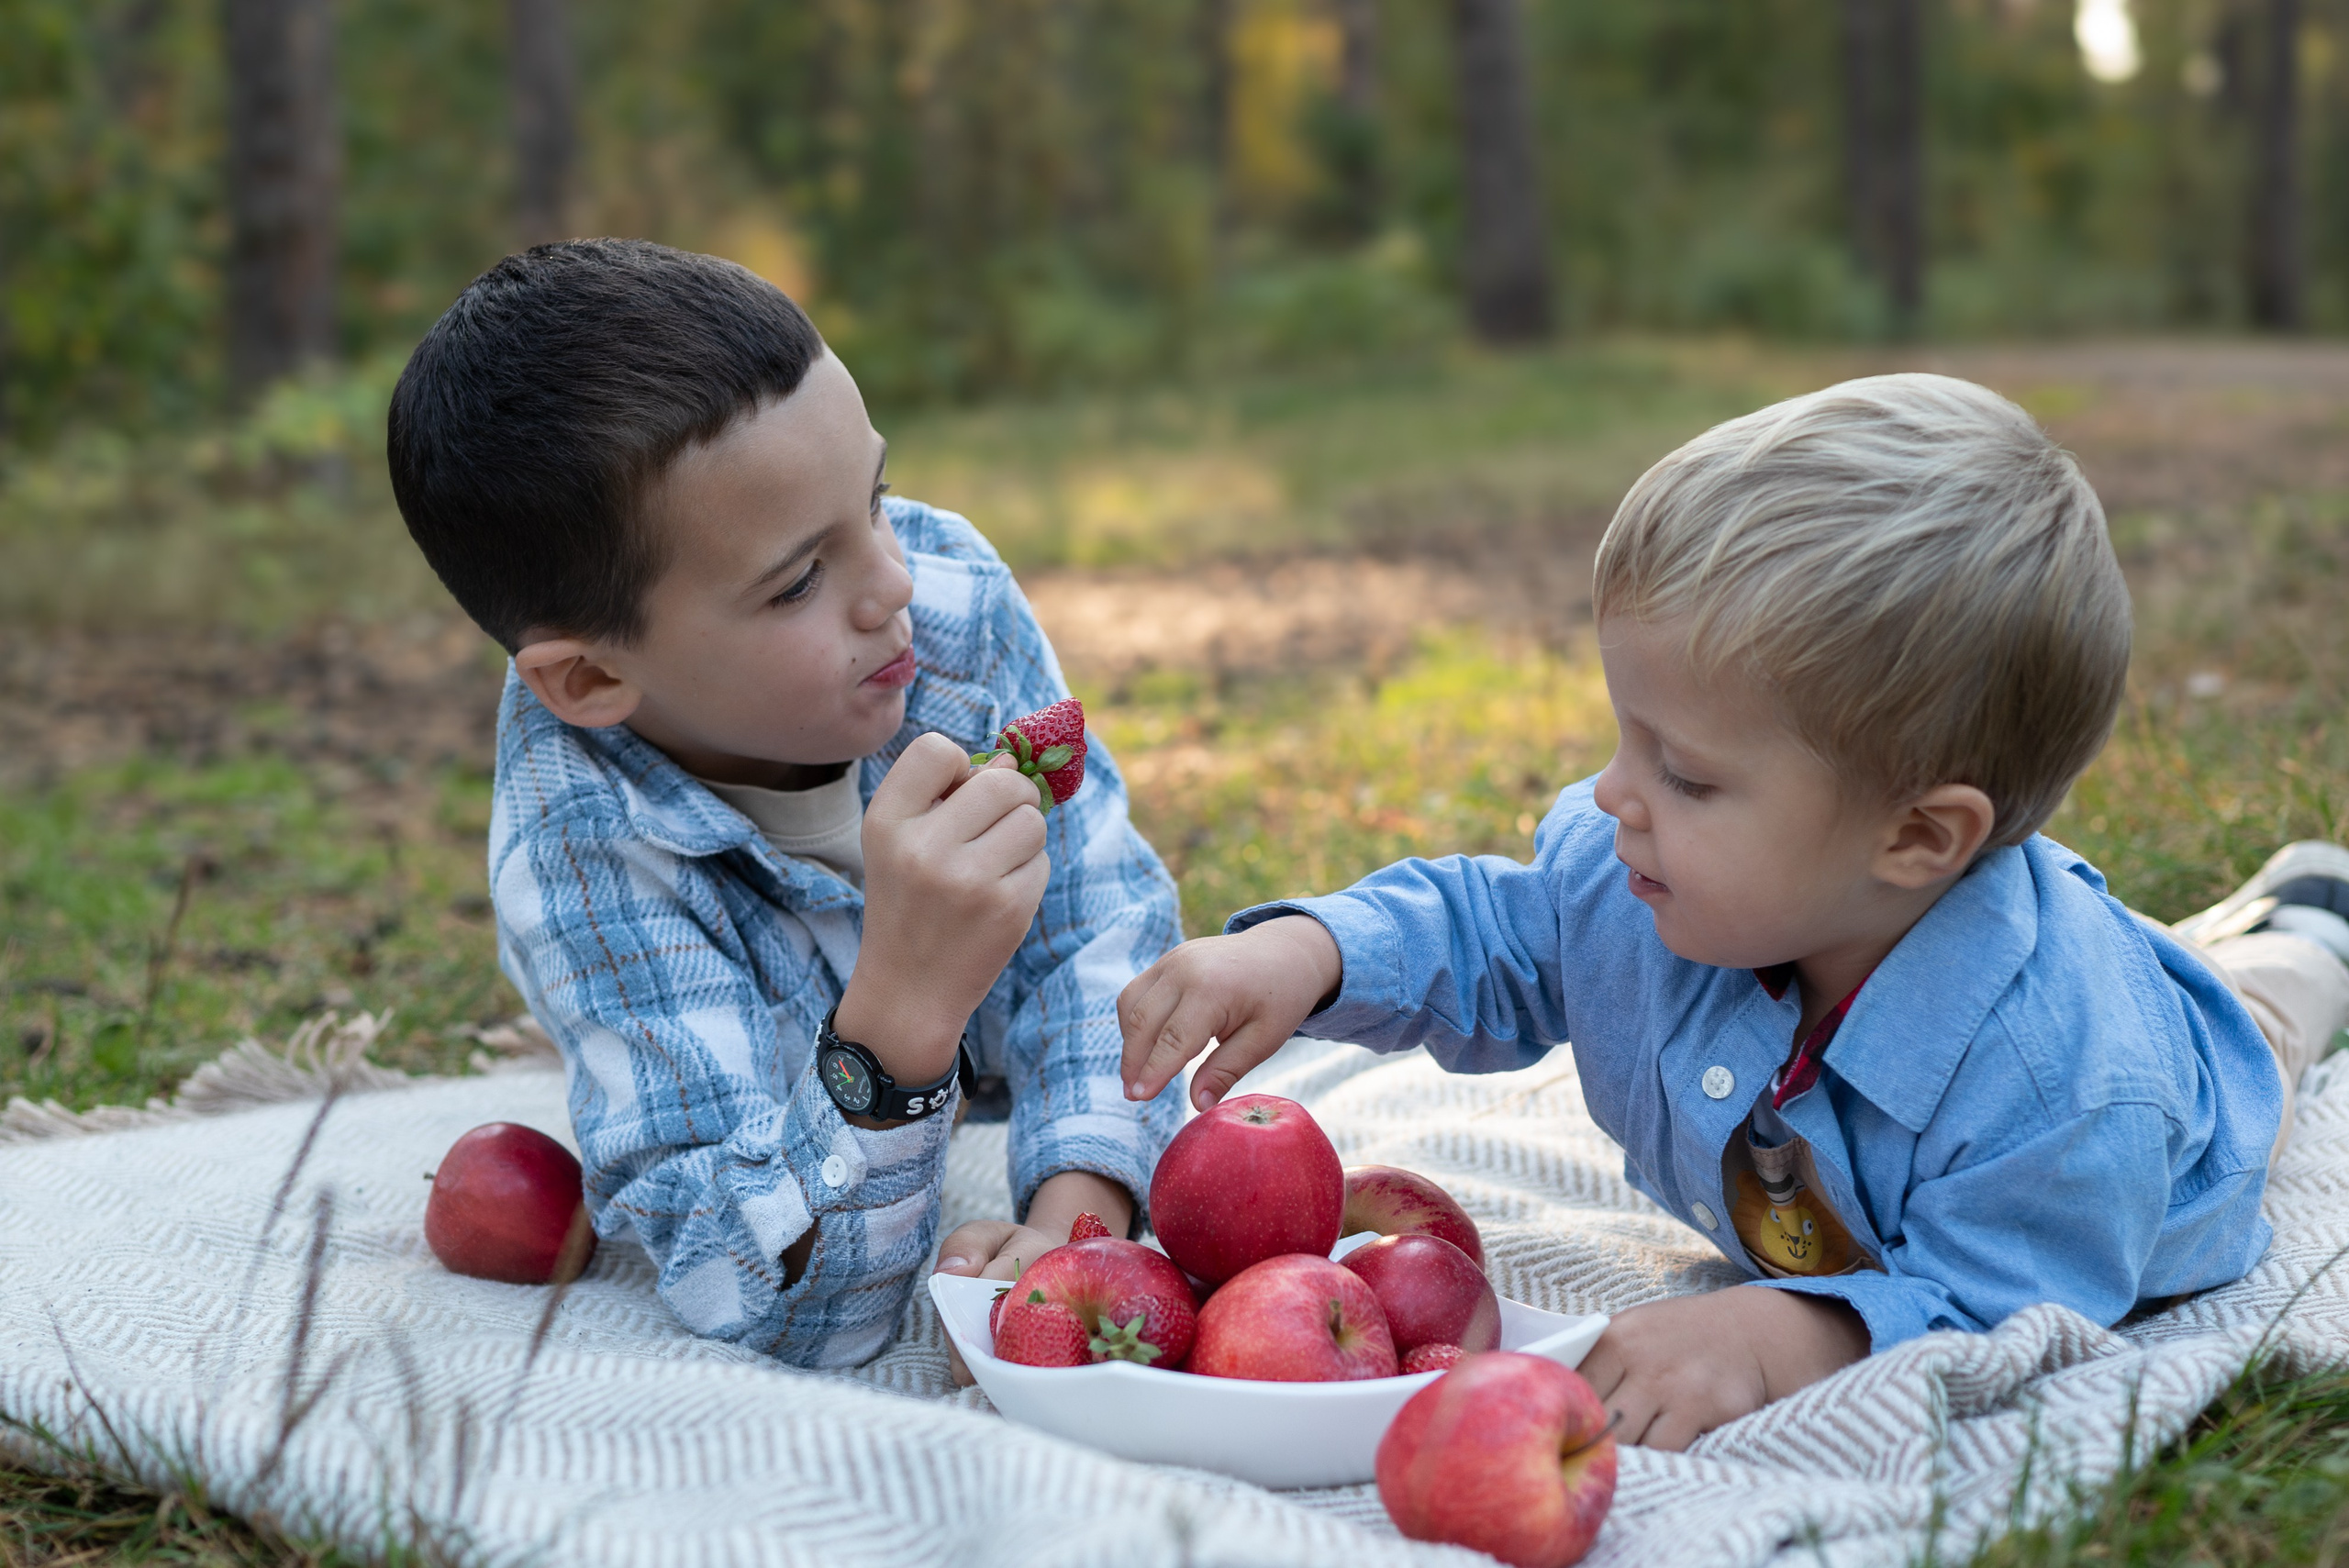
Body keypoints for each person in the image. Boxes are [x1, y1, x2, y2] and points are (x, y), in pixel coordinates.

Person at [1117, 373, 2349, 1449]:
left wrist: (1792, 1333)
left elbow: (2019, 1311)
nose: (1614, 795)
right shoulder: (1648, 870)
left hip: (2179, 1094)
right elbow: (1496, 934)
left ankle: (2303, 938)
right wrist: (1311, 950)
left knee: (2261, 1032)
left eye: (1687, 774)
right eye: (1626, 737)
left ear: (1917, 837)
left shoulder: (2070, 1094)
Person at [388, 239, 1184, 1366]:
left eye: (878, 496)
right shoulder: (583, 853)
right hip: (808, 1099)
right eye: (800, 578)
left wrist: (1075, 1218)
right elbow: (781, 1304)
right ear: (594, 680)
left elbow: (1100, 931)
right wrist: (898, 1017)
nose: (893, 582)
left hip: (994, 1083)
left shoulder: (948, 605)